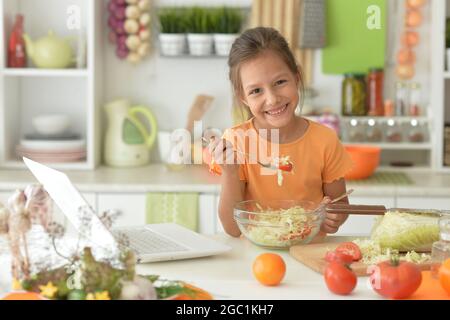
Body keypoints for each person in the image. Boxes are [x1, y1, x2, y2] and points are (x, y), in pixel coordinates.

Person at [207, 27, 353, 238]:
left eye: (280, 82)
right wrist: (230, 172)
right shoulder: (236, 142)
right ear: (243, 98)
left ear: (297, 78)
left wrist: (334, 217)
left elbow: (340, 205)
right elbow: (232, 228)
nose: (273, 99)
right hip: (257, 258)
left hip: (309, 254)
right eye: (256, 91)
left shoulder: (325, 140)